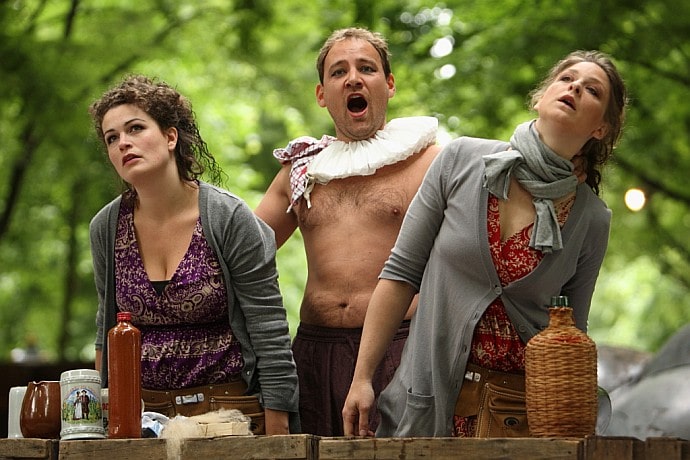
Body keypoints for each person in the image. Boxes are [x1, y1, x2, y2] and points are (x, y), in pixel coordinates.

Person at [342, 50, 628, 437]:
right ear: (539, 98)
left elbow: (572, 330)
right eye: (566, 78)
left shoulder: (592, 219)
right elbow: (400, 275)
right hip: (426, 400)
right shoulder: (459, 160)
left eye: (592, 90)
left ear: (601, 129)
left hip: (520, 419)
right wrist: (362, 377)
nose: (575, 87)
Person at [255, 27, 440, 436]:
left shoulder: (429, 162)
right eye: (339, 72)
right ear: (322, 94)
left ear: (389, 85)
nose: (353, 78)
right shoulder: (302, 171)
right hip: (313, 352)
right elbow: (241, 252)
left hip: (402, 346)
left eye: (366, 68)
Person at [89, 75, 299, 435]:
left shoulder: (227, 218)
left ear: (170, 137)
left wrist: (278, 430)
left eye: (135, 128)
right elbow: (105, 331)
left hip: (230, 417)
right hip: (140, 420)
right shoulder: (106, 227)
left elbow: (269, 328)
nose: (123, 142)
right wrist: (99, 421)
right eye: (112, 138)